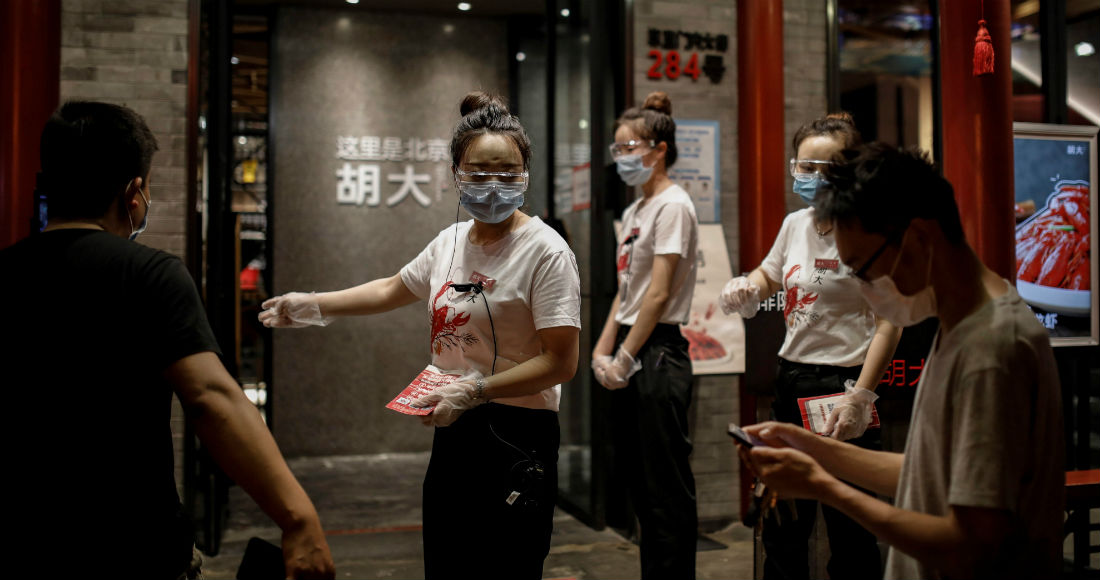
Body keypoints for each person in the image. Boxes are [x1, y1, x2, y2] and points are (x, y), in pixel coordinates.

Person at [0, 101, 335, 580]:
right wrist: (298, 517)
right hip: (133, 550)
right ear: (134, 192)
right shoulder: (148, 274)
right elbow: (210, 398)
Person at [259, 91, 581, 580]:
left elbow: (561, 362)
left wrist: (476, 390)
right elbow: (393, 288)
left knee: (506, 568)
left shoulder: (546, 252)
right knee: (447, 564)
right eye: (478, 171)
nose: (493, 184)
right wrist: (313, 304)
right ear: (456, 174)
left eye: (507, 172)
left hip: (518, 434)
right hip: (453, 430)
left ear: (526, 174)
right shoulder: (450, 241)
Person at [739, 144, 1064, 580]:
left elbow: (971, 544)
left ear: (916, 241)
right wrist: (814, 451)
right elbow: (926, 473)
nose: (864, 288)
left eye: (862, 270)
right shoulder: (960, 320)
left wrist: (823, 487)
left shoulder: (991, 351)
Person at [719, 113, 901, 580]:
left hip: (843, 388)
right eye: (806, 166)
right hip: (792, 381)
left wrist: (861, 397)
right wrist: (747, 287)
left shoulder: (866, 229)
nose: (814, 178)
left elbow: (889, 323)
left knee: (851, 528)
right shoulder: (795, 224)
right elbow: (769, 275)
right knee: (785, 520)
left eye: (828, 168)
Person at [592, 91, 700, 579]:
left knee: (665, 489)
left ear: (658, 149)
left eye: (628, 147)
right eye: (616, 150)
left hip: (658, 351)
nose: (621, 158)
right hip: (633, 347)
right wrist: (602, 348)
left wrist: (627, 356)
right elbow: (627, 292)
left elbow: (657, 297)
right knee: (640, 485)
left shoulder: (673, 206)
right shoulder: (636, 212)